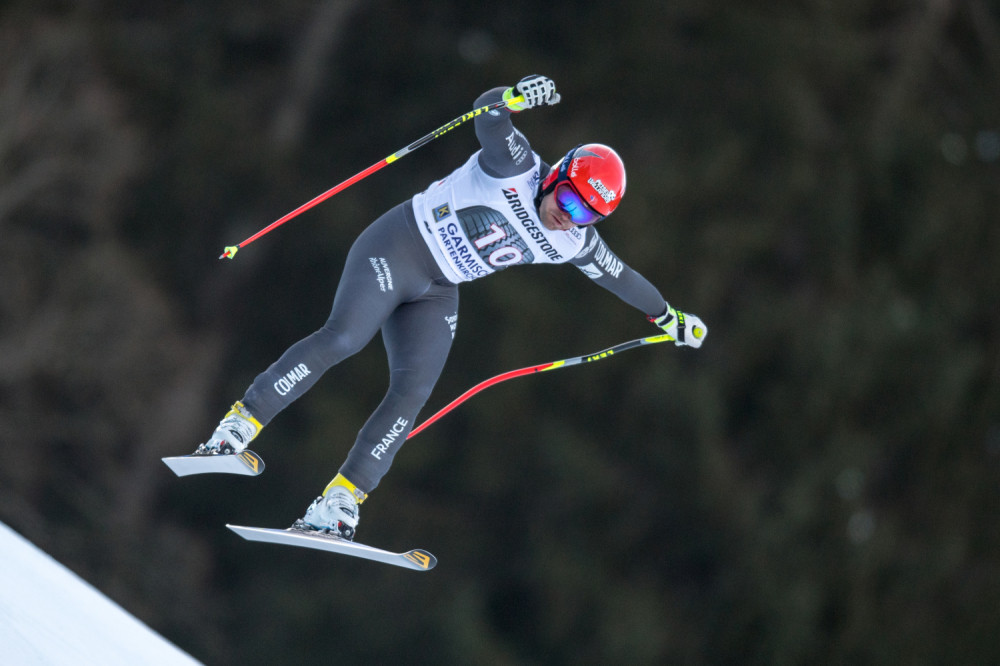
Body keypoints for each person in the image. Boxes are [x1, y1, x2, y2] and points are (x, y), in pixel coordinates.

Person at [194, 75, 708, 541]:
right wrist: (514, 97)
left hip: (440, 288)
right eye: (570, 203)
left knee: (413, 389)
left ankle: (339, 502)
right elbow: (488, 113)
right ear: (558, 177)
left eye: (587, 217)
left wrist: (668, 318)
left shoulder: (575, 241)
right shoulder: (518, 167)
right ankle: (239, 425)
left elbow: (622, 278)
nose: (567, 220)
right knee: (345, 339)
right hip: (399, 246)